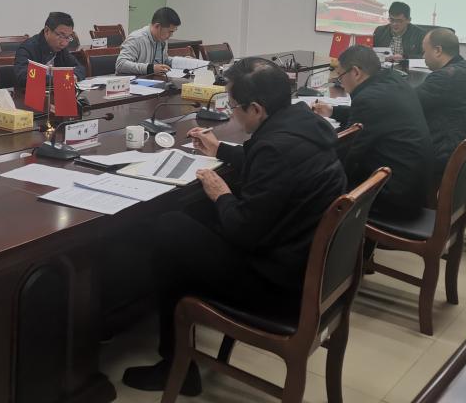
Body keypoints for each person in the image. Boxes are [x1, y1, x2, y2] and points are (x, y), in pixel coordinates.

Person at [122, 58, 347, 395]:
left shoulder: (275, 147)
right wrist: (221, 149)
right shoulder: (304, 124)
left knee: (169, 228)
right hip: (309, 266)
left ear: (256, 109)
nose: (232, 114)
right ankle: (169, 340)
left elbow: (243, 230)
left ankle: (174, 362)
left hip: (278, 285)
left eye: (234, 106)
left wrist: (222, 194)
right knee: (190, 219)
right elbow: (275, 169)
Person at [312, 44, 432, 217]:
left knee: (318, 187)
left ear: (356, 72)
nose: (341, 83)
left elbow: (348, 154)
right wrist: (333, 111)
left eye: (340, 76)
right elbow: (374, 116)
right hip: (413, 186)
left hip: (394, 197)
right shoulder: (394, 80)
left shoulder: (368, 99)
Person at [418, 28, 466, 186]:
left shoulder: (444, 77)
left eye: (424, 51)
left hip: (452, 160)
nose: (423, 57)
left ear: (438, 50)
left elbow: (411, 104)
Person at [13, 12, 86, 88]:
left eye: (68, 37)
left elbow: (80, 68)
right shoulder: (27, 48)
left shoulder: (61, 49)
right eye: (60, 36)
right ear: (47, 31)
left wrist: (74, 76)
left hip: (54, 93)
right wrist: (60, 79)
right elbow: (23, 76)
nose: (64, 43)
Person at [116, 7, 181, 75]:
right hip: (133, 80)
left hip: (152, 78)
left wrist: (184, 62)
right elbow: (120, 64)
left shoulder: (162, 39)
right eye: (170, 31)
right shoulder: (136, 38)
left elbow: (164, 61)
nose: (171, 35)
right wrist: (150, 69)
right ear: (157, 26)